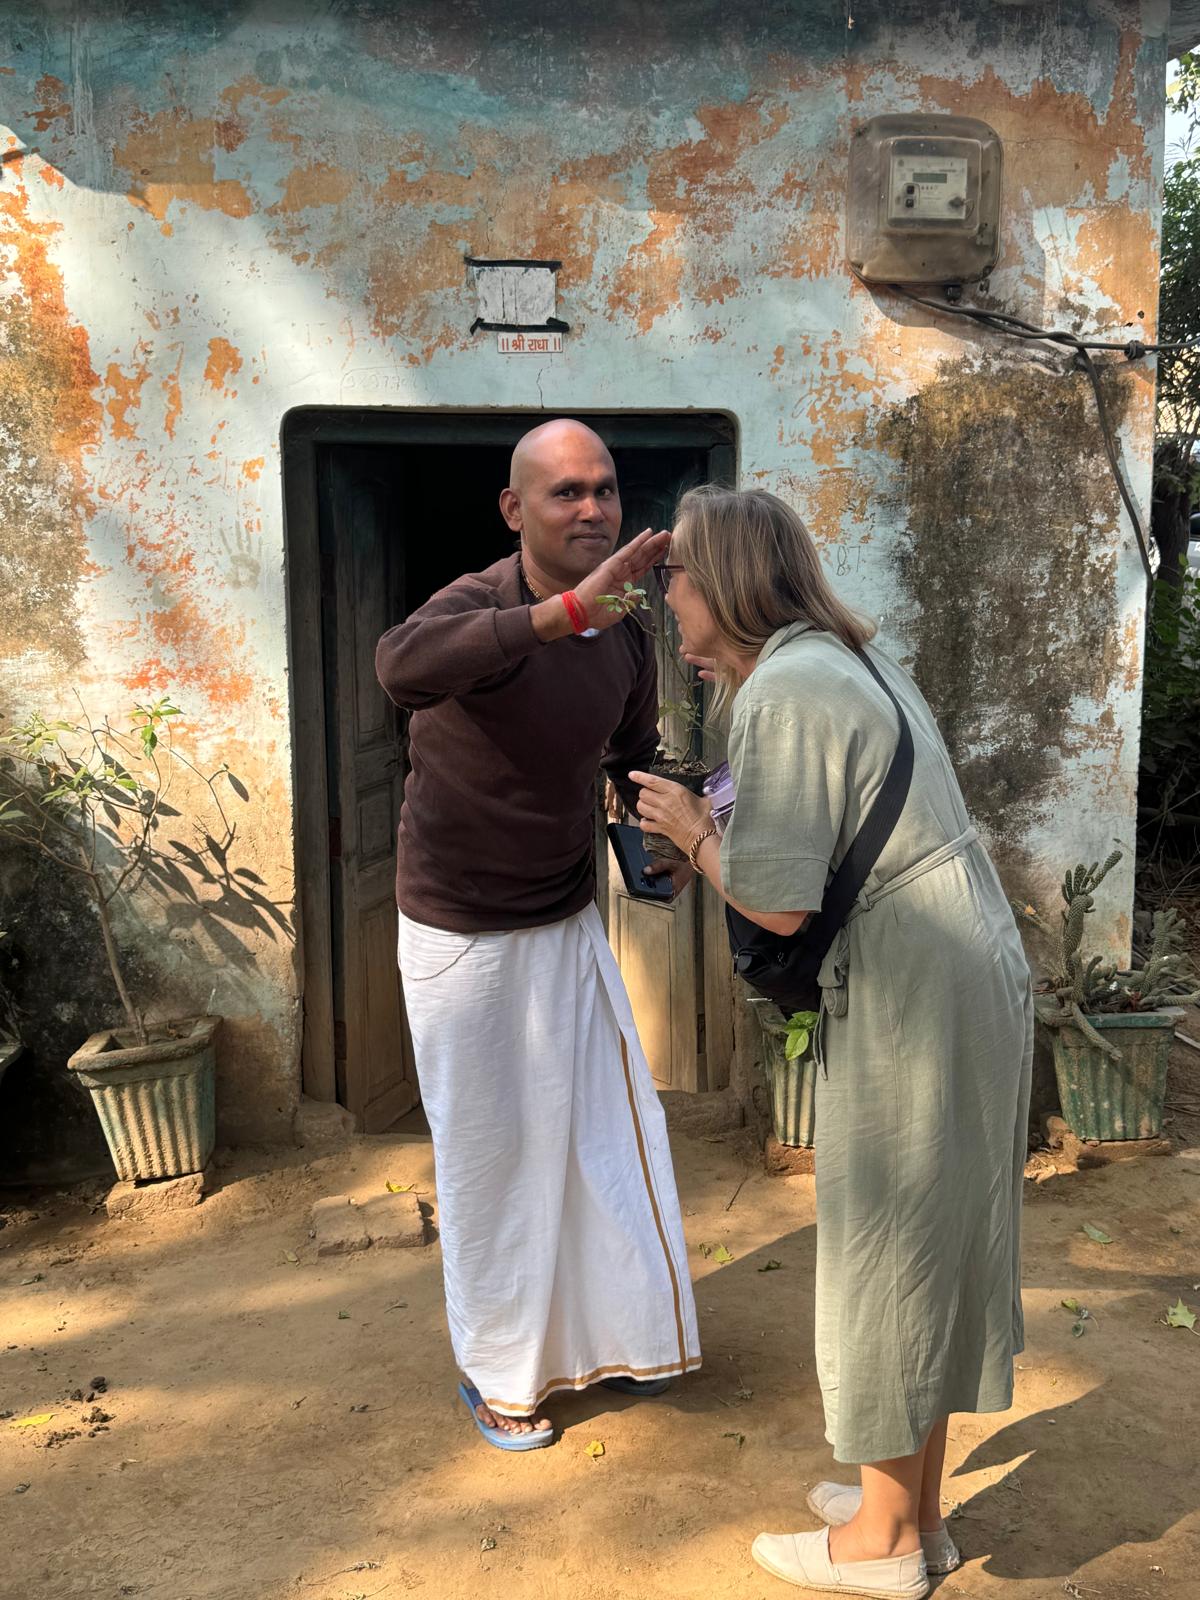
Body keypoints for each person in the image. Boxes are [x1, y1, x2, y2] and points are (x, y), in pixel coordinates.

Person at [633, 486, 1032, 1598]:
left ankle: (885, 1544)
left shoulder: (787, 688)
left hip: (918, 981)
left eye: (672, 575)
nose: (666, 599)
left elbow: (777, 902)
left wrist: (691, 833)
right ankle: (912, 1513)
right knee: (929, 1236)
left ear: (721, 581)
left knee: (890, 1239)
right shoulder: (838, 660)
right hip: (956, 958)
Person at [375, 419, 701, 1452]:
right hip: (460, 931)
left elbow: (631, 752)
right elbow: (399, 667)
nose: (592, 507)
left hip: (566, 917)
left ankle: (622, 1334)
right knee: (492, 1159)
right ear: (515, 510)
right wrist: (559, 617)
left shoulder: (629, 636)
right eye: (565, 491)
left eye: (604, 488)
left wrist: (673, 832)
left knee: (604, 1136)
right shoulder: (475, 606)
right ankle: (498, 1369)